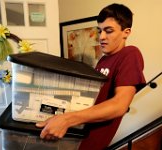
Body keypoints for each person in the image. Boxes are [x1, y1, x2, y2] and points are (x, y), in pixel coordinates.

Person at [36, 3, 146, 150]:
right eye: (99, 31)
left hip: (91, 142)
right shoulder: (103, 60)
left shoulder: (130, 54)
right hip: (77, 136)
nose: (101, 37)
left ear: (126, 32)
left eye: (109, 31)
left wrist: (67, 120)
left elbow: (120, 105)